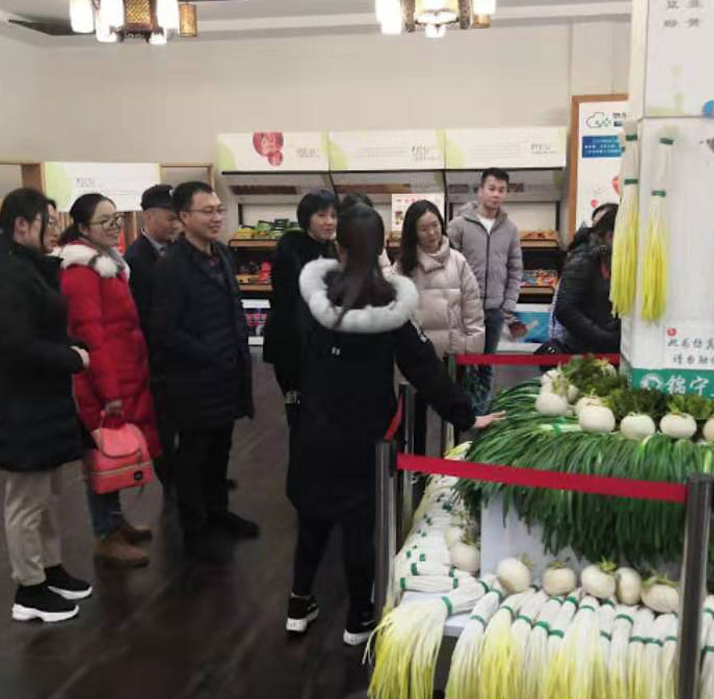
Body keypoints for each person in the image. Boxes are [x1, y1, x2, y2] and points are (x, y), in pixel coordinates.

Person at [285, 203, 503, 646]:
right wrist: (466, 415)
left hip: (313, 427)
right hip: (365, 433)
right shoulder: (390, 305)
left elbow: (287, 351)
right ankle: (358, 619)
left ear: (339, 247)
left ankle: (298, 605)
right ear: (381, 246)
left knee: (312, 516)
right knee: (358, 524)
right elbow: (425, 370)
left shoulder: (314, 297)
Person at [0, 187, 92, 623]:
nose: (55, 230)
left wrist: (69, 345)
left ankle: (49, 569)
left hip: (41, 397)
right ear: (21, 225)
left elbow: (40, 326)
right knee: (26, 499)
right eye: (48, 222)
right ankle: (29, 588)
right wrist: (70, 358)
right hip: (19, 400)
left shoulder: (24, 265)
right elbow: (16, 344)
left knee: (47, 493)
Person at [151, 182, 258, 560]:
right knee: (193, 454)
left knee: (220, 449)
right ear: (184, 217)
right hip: (193, 379)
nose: (216, 217)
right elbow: (164, 330)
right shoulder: (171, 267)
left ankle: (218, 512)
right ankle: (194, 526)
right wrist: (209, 353)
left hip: (226, 374)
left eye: (218, 210)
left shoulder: (222, 254)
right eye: (207, 211)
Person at [57, 193, 162, 568]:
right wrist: (109, 391)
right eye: (105, 221)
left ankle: (116, 523)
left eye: (116, 218)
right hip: (102, 379)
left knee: (114, 450)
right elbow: (91, 335)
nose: (114, 226)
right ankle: (106, 534)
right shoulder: (81, 272)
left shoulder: (108, 264)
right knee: (102, 452)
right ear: (82, 228)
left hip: (122, 371)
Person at [395, 199, 485, 452]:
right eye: (424, 228)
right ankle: (418, 467)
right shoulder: (403, 265)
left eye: (435, 225)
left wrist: (472, 348)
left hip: (452, 355)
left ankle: (454, 463)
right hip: (419, 359)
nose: (432, 233)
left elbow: (472, 305)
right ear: (413, 232)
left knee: (455, 414)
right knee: (416, 420)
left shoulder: (457, 261)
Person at [448, 168, 525, 413]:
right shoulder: (458, 225)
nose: (496, 194)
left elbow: (515, 268)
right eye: (491, 189)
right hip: (464, 310)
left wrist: (508, 305)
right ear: (480, 190)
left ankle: (481, 414)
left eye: (502, 190)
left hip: (494, 311)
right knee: (461, 364)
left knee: (486, 364)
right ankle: (458, 413)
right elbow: (448, 265)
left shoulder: (510, 229)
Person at [263, 189, 338, 422]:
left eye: (333, 215)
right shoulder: (290, 251)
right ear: (307, 218)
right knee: (299, 411)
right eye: (321, 215)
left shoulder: (329, 249)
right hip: (293, 347)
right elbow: (289, 304)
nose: (329, 222)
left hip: (320, 347)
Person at [125, 184, 181, 491]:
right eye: (170, 218)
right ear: (148, 216)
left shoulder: (179, 250)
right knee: (163, 424)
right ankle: (170, 482)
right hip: (155, 358)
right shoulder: (135, 259)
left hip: (181, 354)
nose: (176, 224)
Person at [548, 202, 620, 354]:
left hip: (605, 348)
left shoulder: (613, 259)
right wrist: (605, 339)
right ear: (609, 235)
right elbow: (565, 309)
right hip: (582, 351)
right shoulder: (585, 258)